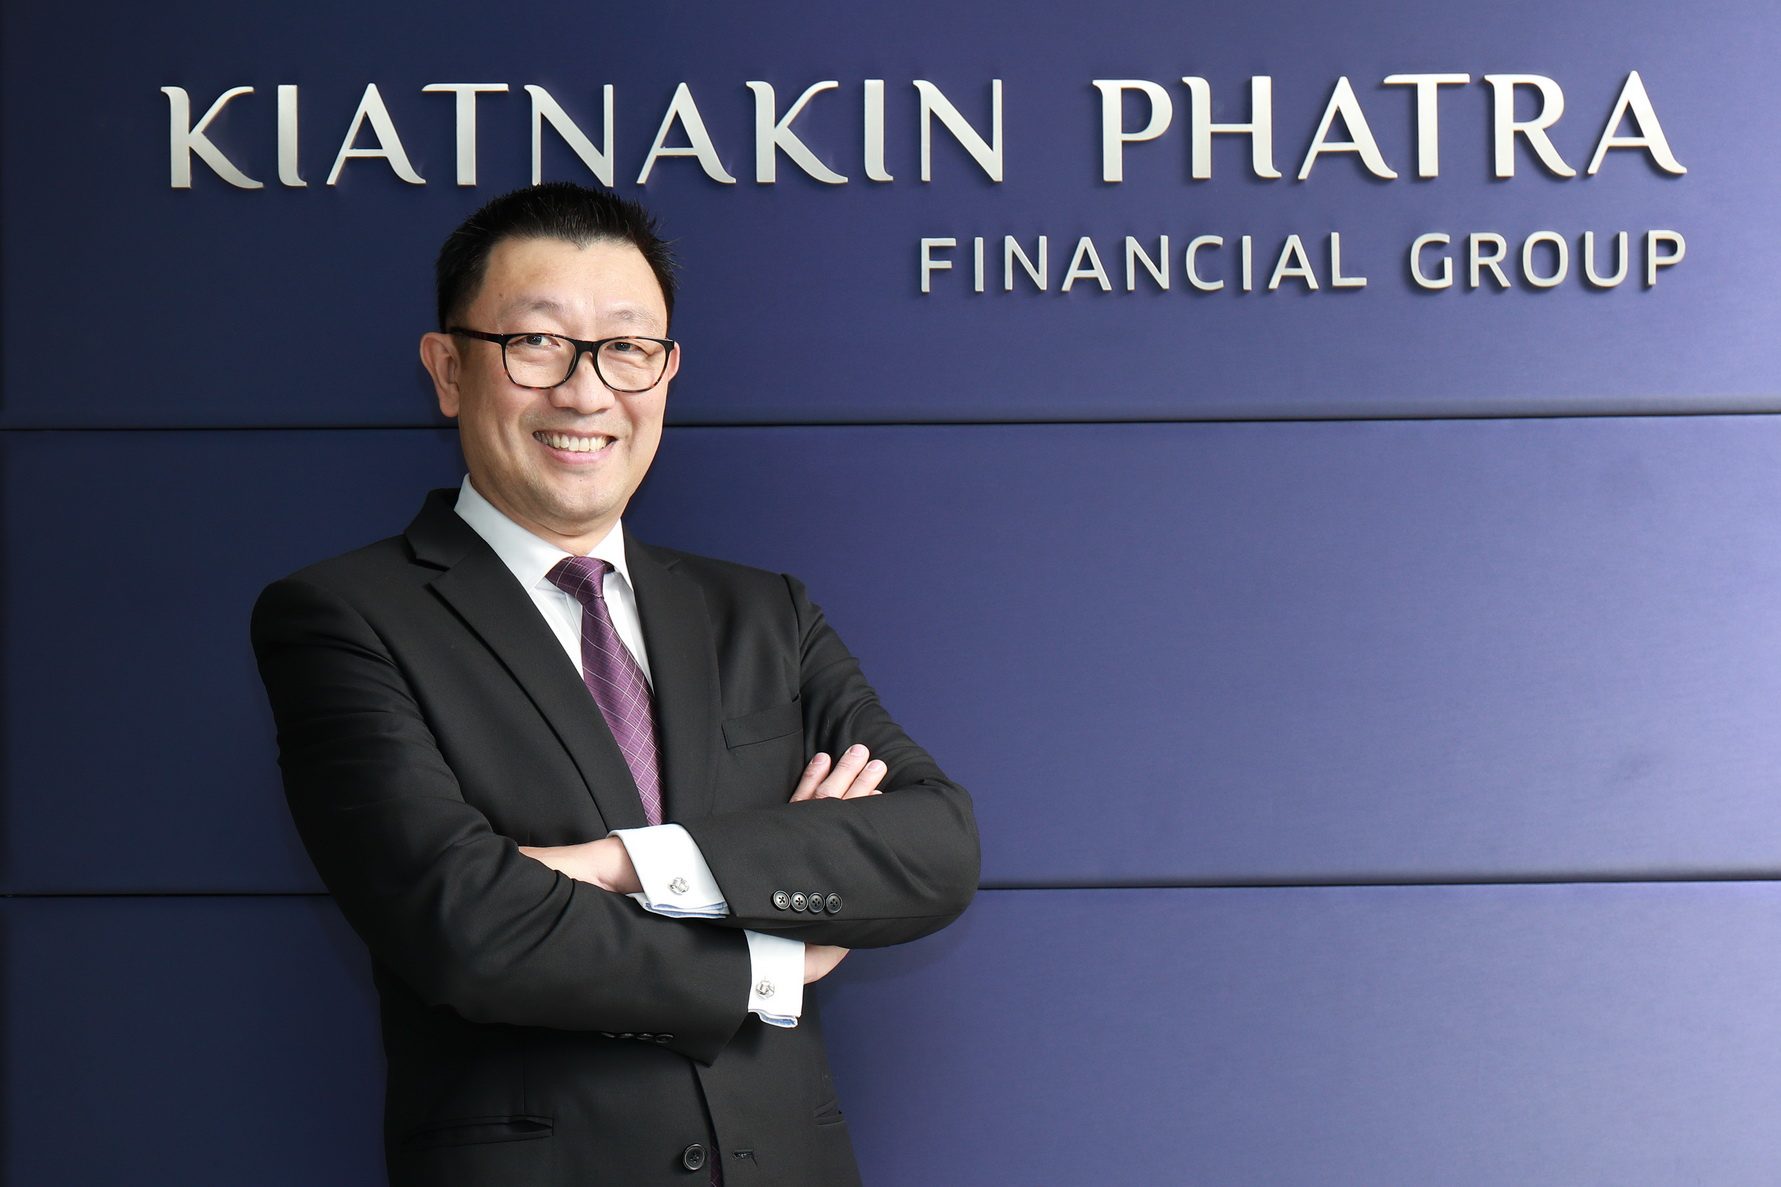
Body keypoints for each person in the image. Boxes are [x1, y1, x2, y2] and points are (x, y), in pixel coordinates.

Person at [251, 182, 979, 1186]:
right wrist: (772, 957)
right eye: (537, 343)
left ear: (665, 370)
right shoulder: (343, 616)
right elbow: (464, 925)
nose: (587, 392)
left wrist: (615, 863)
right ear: (448, 369)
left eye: (627, 348)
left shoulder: (763, 612)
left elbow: (933, 846)